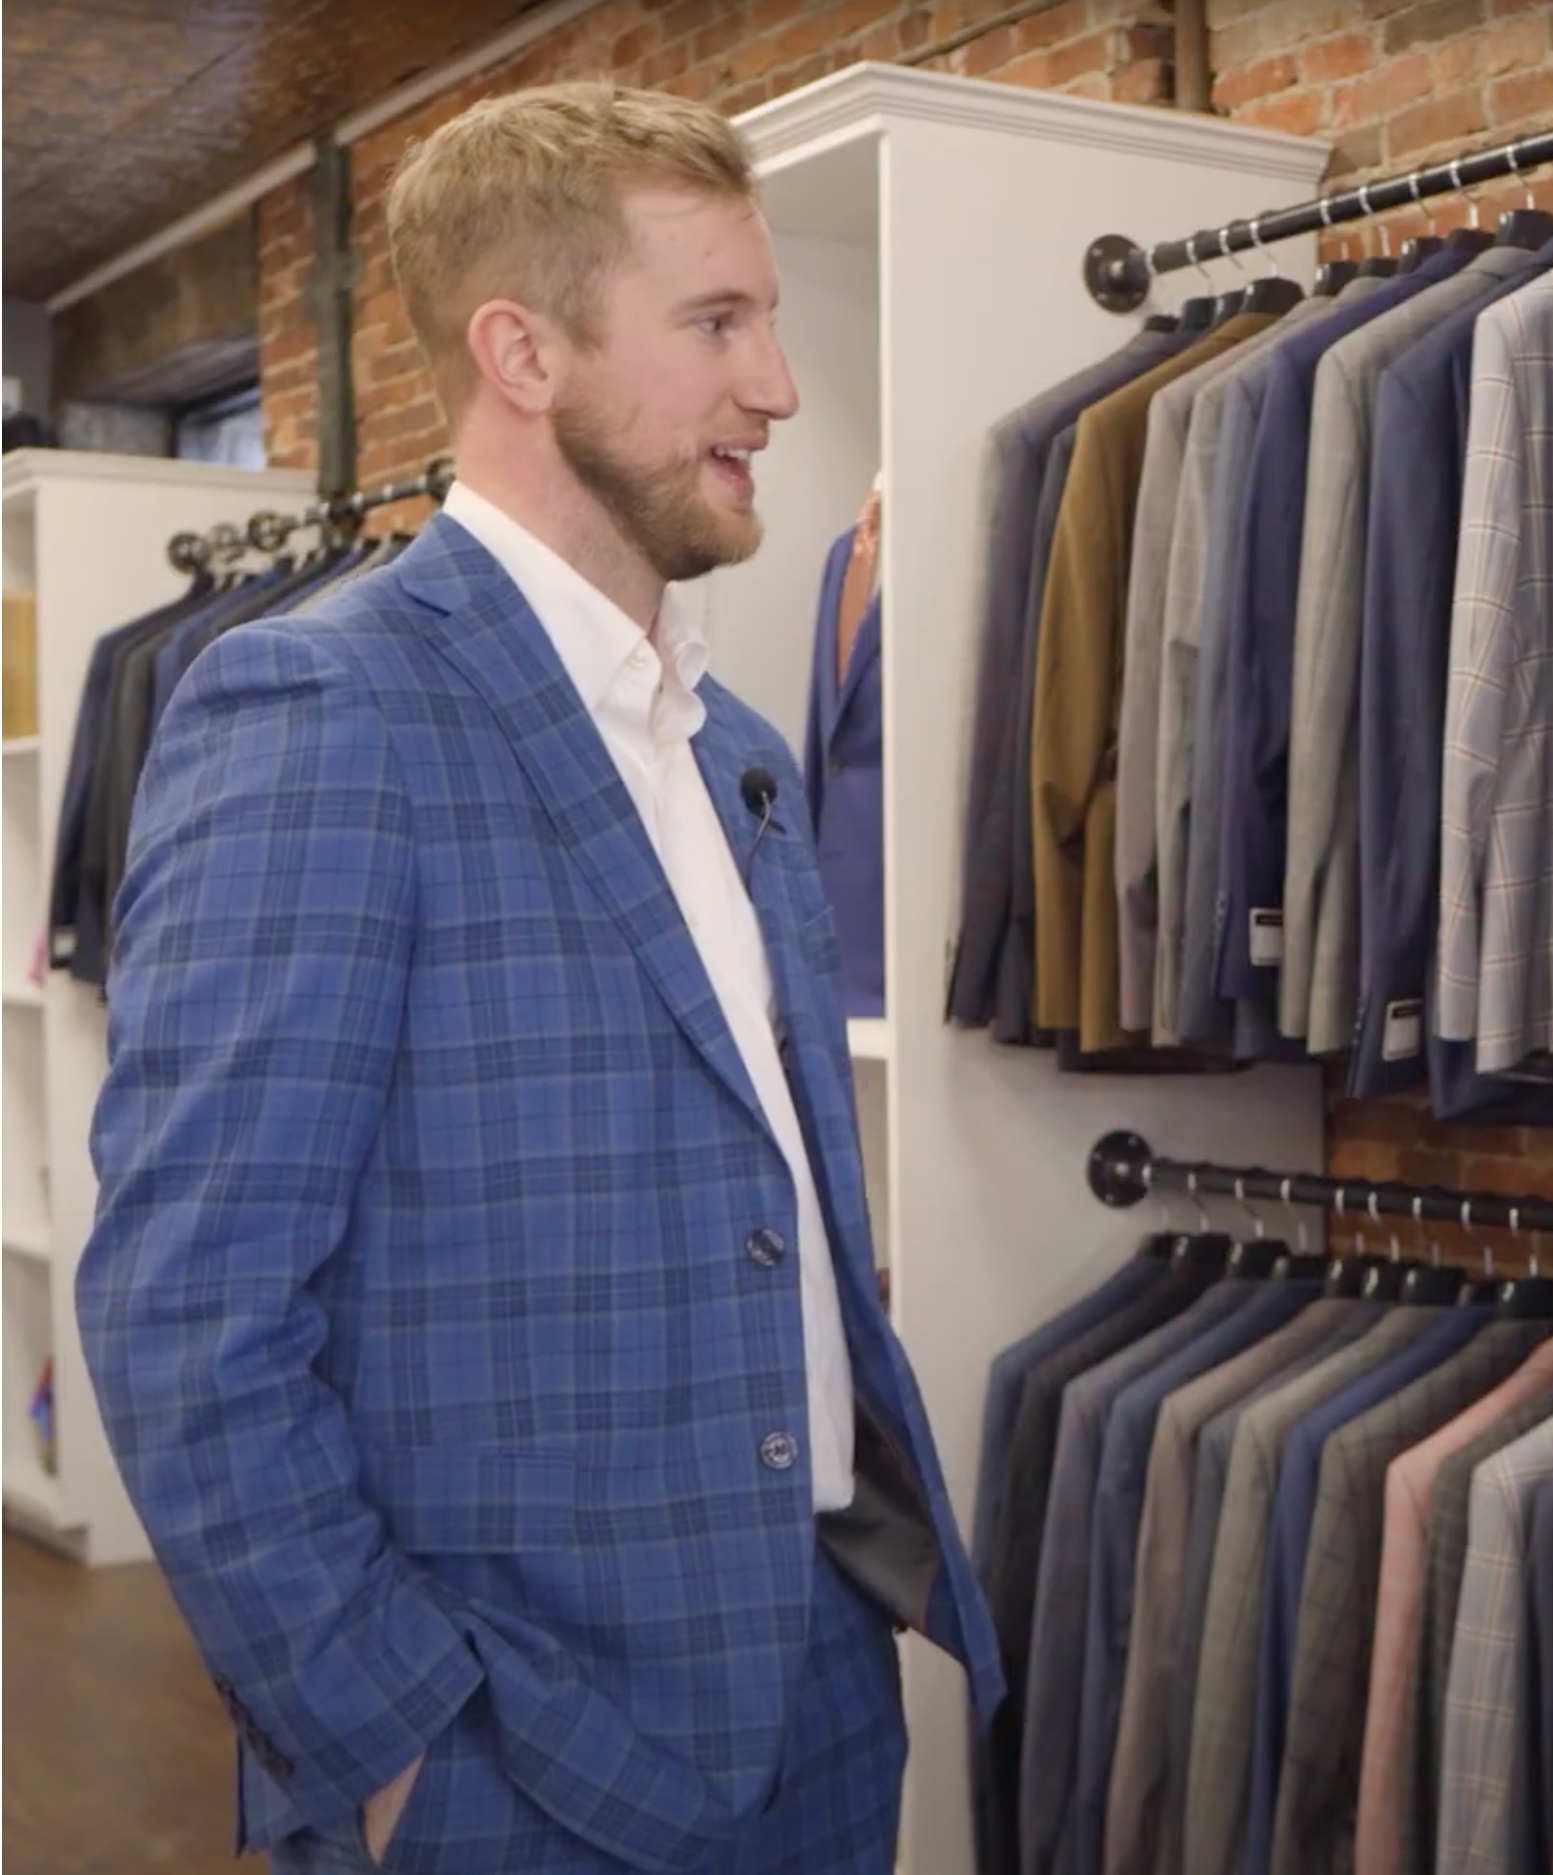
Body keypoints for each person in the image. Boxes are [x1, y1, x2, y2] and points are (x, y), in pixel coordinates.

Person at [78, 83, 998, 1874]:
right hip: (517, 1755)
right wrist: (398, 1742)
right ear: (523, 352)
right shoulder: (323, 711)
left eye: (772, 321)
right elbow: (189, 1314)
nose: (779, 389)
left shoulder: (730, 743)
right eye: (716, 323)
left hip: (817, 1685)